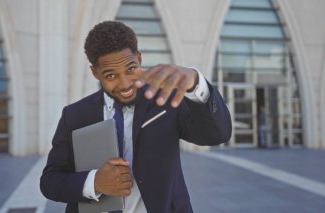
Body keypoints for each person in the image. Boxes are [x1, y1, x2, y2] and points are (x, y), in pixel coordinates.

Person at [40, 21, 232, 213]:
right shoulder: (74, 115)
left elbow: (217, 135)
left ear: (139, 59)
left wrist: (195, 83)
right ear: (95, 72)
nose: (124, 84)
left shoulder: (166, 101)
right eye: (110, 75)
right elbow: (50, 181)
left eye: (130, 69)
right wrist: (94, 182)